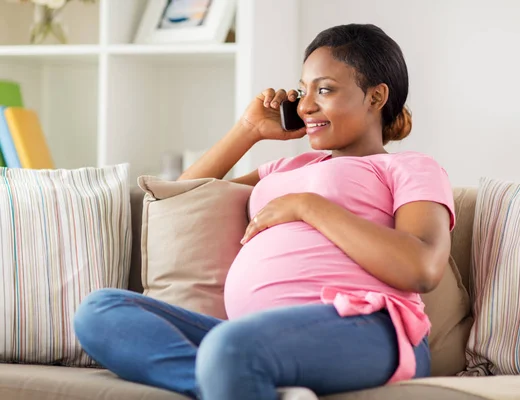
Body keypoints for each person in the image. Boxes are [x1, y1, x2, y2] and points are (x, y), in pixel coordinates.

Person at [74, 23, 455, 400]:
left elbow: (421, 267)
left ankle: (235, 371)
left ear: (375, 97)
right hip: (252, 336)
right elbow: (180, 200)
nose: (305, 106)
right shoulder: (286, 169)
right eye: (303, 91)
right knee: (100, 310)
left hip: (370, 328)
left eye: (324, 90)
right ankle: (241, 382)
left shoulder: (408, 167)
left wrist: (308, 206)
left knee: (231, 346)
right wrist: (248, 129)